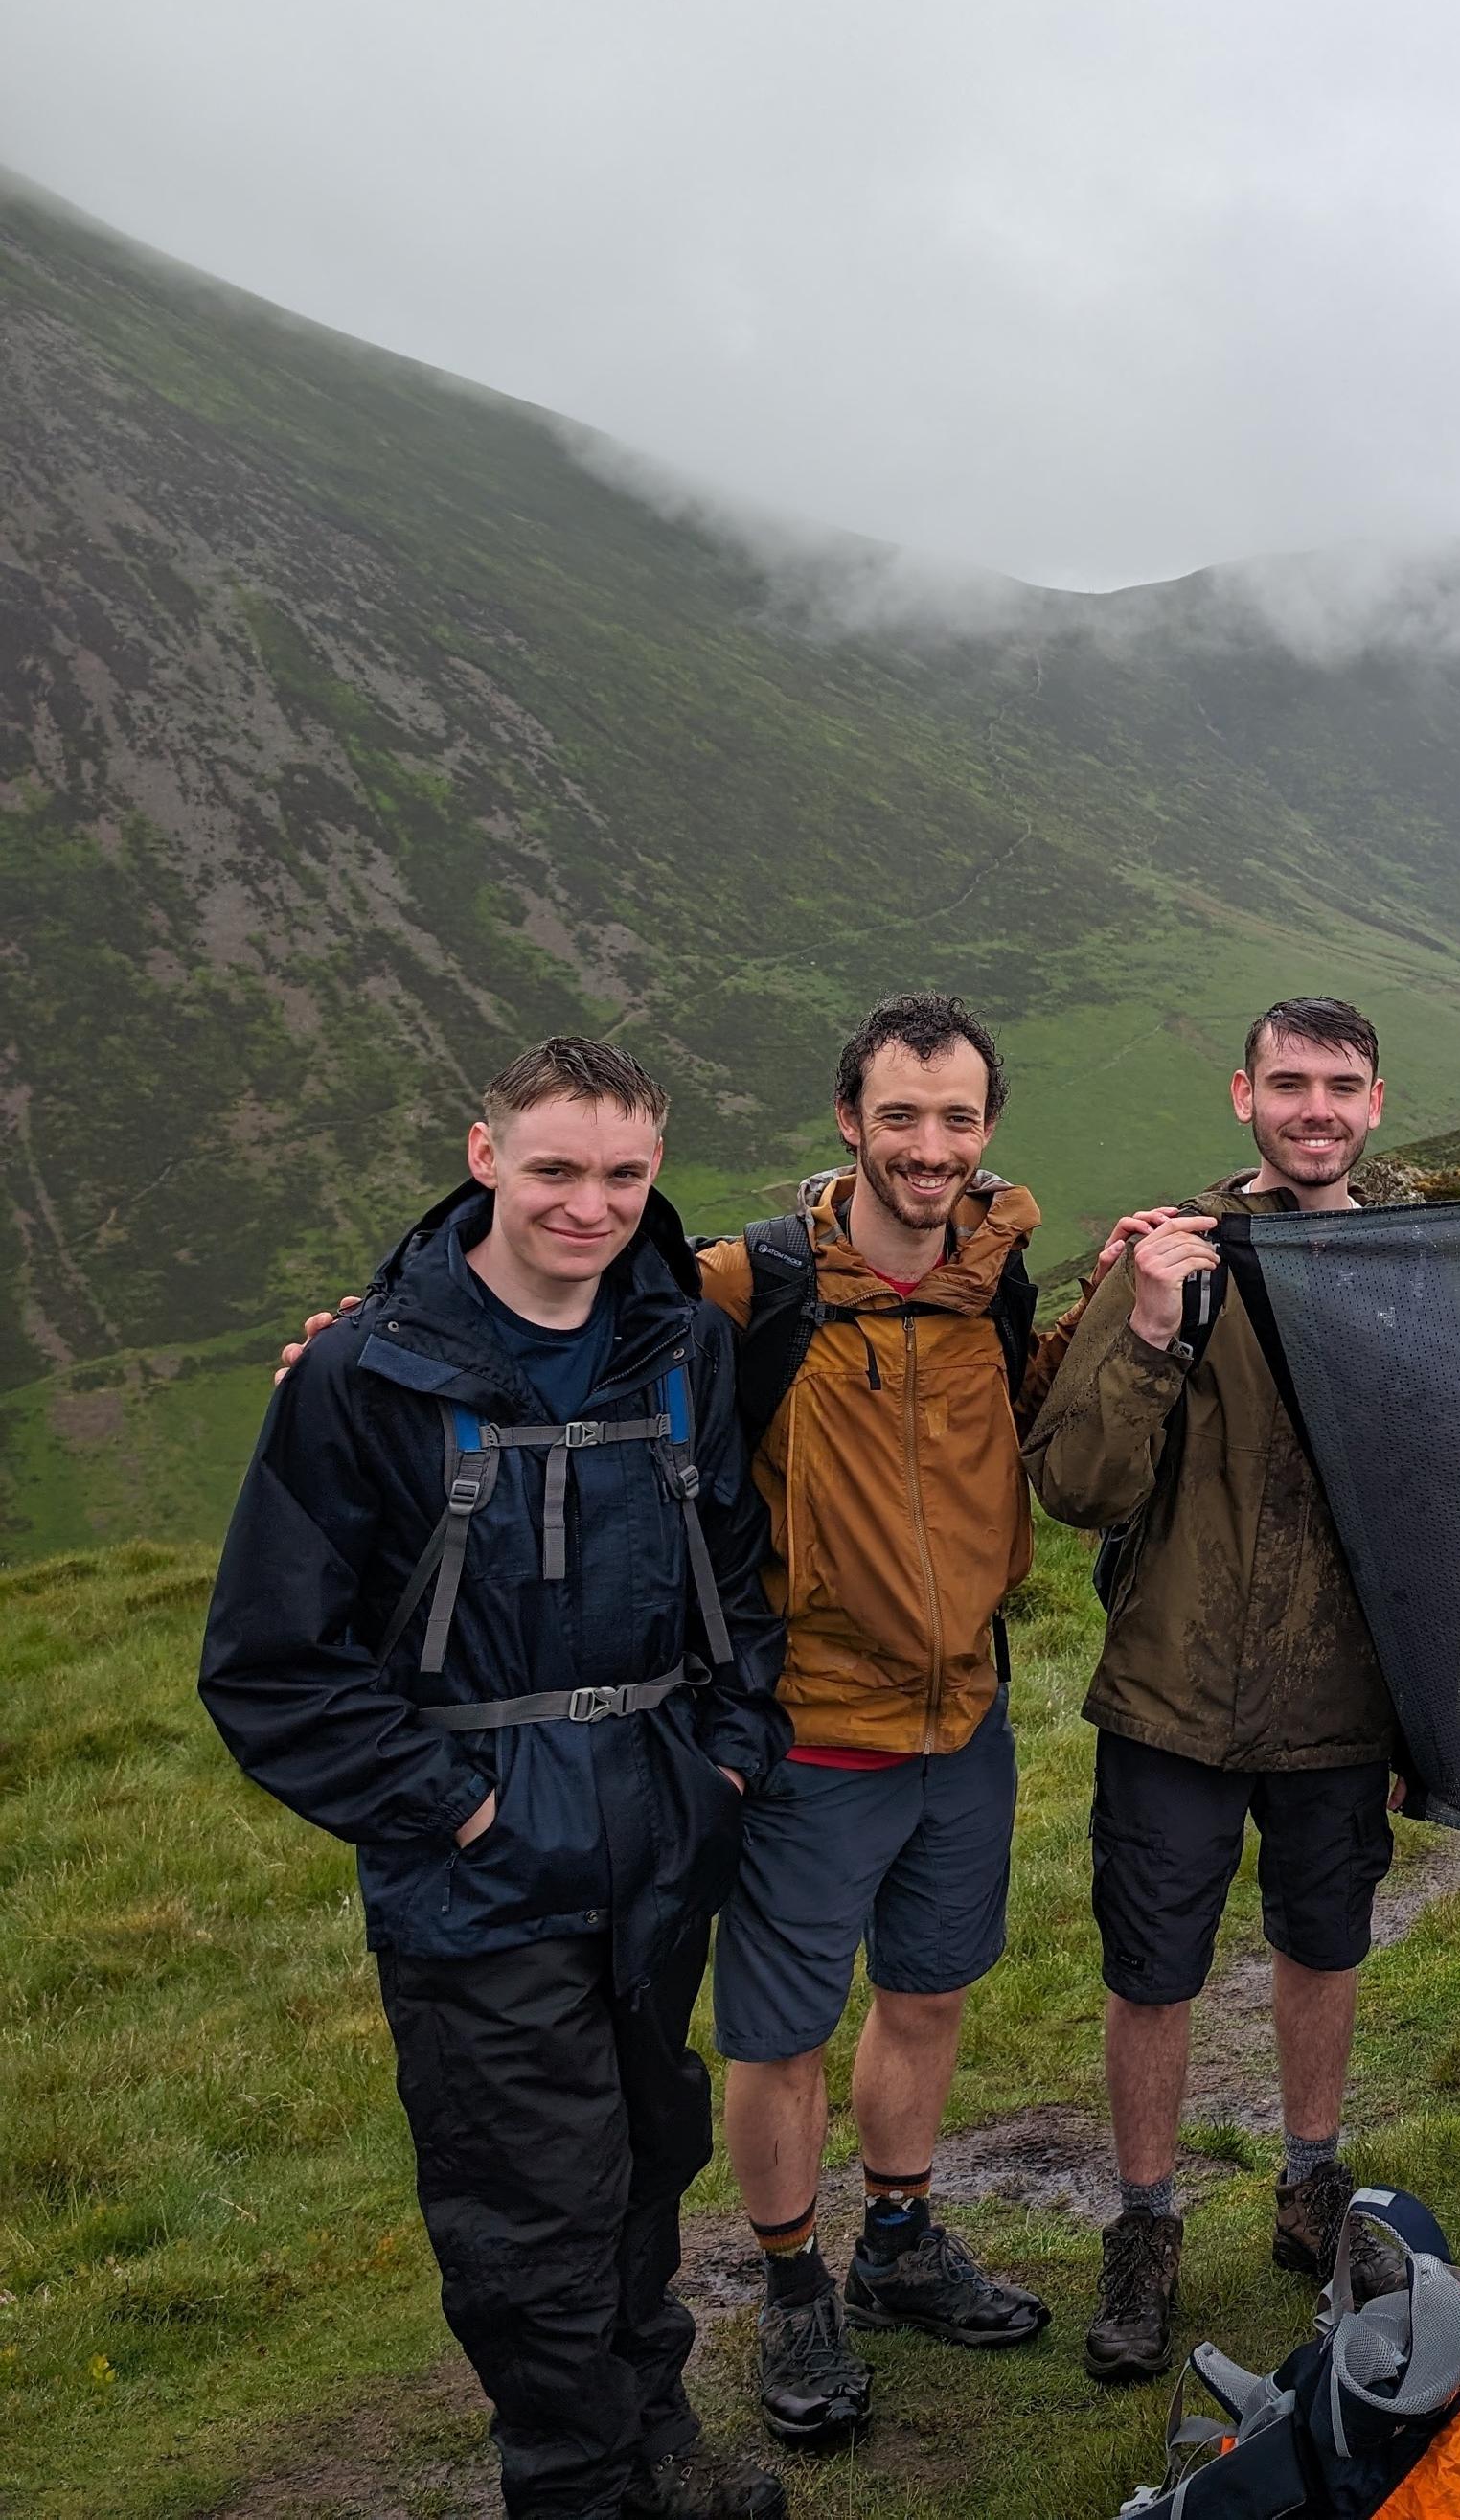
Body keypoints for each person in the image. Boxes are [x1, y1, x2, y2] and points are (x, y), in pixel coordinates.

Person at [200, 1038, 793, 2520]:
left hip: (663, 1826)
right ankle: (577, 2486)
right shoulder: (365, 1370)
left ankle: (657, 2446)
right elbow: (272, 1658)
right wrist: (457, 1805)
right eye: (554, 1168)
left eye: (623, 1173)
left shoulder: (681, 1345)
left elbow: (735, 1563)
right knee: (531, 2206)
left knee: (651, 2151)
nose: (589, 1205)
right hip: (474, 1862)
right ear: (485, 1156)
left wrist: (729, 1750)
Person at [1023, 997, 1406, 2383]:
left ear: (1377, 1102)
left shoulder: (1402, 1265)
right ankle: (1143, 2223)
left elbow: (1441, 1499)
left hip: (1339, 1695)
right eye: (1290, 1081)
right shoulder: (1167, 1255)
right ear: (1241, 1094)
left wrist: (1427, 1708)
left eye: (1342, 1084)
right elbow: (1074, 1485)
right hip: (1175, 1692)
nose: (1316, 1106)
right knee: (1154, 1965)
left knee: (1326, 1939)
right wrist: (1143, 1328)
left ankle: (1312, 2183)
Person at [688, 997, 1055, 2445]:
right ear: (848, 1119)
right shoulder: (749, 1286)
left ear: (985, 1130)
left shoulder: (999, 1276)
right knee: (777, 2033)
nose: (930, 1147)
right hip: (809, 1730)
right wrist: (354, 1346)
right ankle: (790, 2281)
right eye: (900, 1115)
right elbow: (556, 1305)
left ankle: (898, 2244)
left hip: (964, 1718)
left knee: (926, 1989)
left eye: (957, 1119)